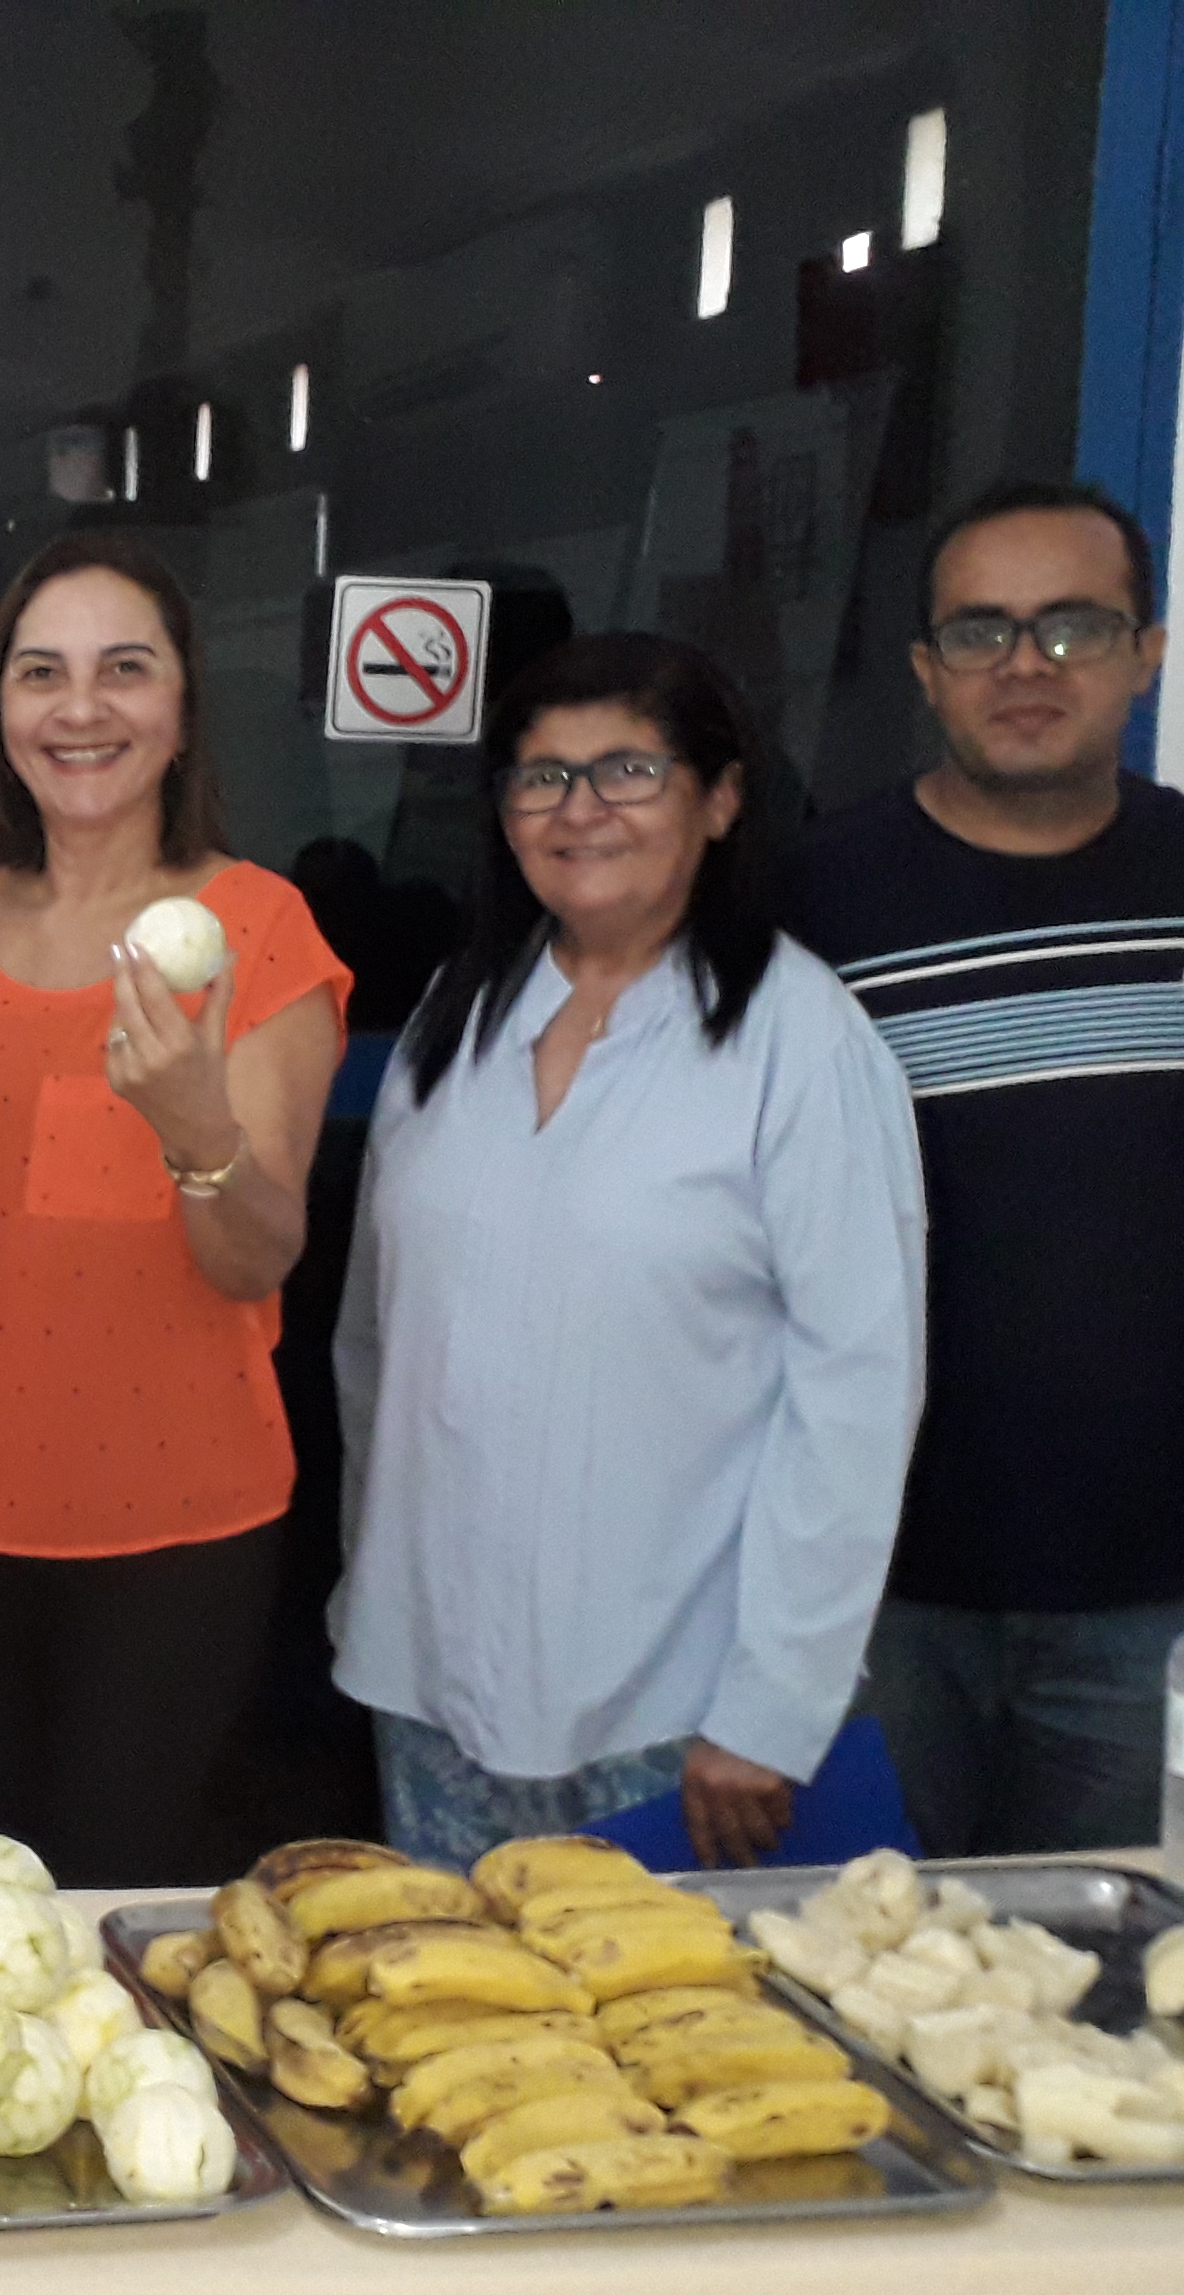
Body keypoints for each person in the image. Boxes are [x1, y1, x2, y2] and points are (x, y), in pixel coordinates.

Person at [781, 479, 1184, 1860]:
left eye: (1073, 626)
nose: (1027, 666)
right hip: (868, 1577)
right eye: (981, 631)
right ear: (924, 671)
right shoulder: (815, 892)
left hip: (1143, 1578)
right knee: (859, 1978)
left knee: (1111, 1995)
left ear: (1148, 651)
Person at [332, 635, 924, 1871]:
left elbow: (857, 1391)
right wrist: (368, 1587)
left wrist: (774, 1707)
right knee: (464, 2039)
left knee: (662, 2049)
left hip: (681, 1708)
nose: (579, 810)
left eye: (628, 772)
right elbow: (378, 1342)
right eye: (540, 779)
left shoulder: (800, 1041)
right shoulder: (459, 1015)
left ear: (721, 799)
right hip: (434, 1675)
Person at [0, 531, 349, 1886]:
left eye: (125, 670)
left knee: (118, 1910)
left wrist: (195, 1127)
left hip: (174, 1533)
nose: (81, 709)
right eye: (42, 673)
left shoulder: (257, 930)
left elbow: (260, 1253)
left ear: (181, 709)